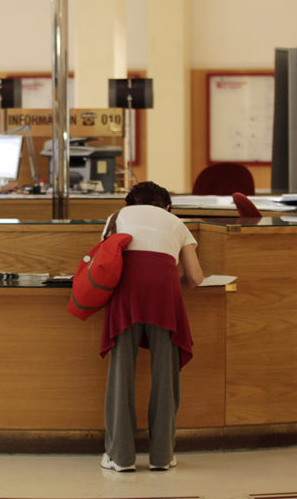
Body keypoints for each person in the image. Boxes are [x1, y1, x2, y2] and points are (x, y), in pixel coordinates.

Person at [99, 181, 203, 473]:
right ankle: (162, 456)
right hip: (164, 299)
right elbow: (195, 276)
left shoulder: (116, 218)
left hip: (125, 296)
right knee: (165, 376)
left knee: (121, 375)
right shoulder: (176, 222)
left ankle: (120, 457)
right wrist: (170, 287)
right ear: (167, 206)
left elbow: (105, 264)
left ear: (129, 203)